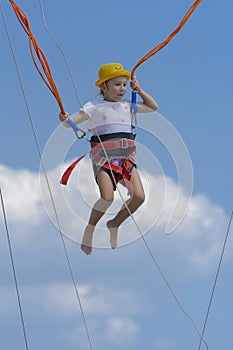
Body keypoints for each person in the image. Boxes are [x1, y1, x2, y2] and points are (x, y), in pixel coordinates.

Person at [59, 63, 158, 255]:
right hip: (103, 160)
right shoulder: (94, 107)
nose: (122, 88)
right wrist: (64, 119)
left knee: (139, 197)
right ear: (103, 87)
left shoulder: (128, 105)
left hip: (126, 159)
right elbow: (69, 123)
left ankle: (114, 223)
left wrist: (140, 90)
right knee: (107, 197)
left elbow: (153, 107)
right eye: (117, 85)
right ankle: (90, 228)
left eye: (124, 84)